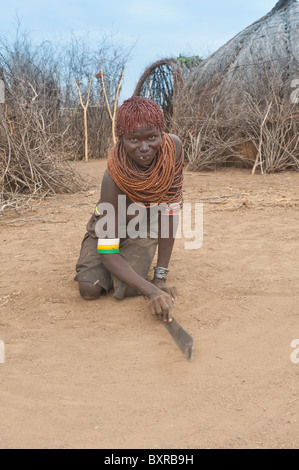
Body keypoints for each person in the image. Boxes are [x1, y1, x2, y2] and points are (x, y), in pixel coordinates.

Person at [74, 96, 184, 323]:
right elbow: (107, 251)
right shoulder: (112, 181)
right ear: (120, 138)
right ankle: (93, 250)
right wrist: (152, 292)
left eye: (152, 137)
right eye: (133, 139)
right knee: (89, 290)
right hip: (109, 225)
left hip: (144, 226)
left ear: (162, 132)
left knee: (129, 289)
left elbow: (170, 210)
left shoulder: (173, 149)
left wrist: (160, 278)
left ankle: (127, 268)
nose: (144, 148)